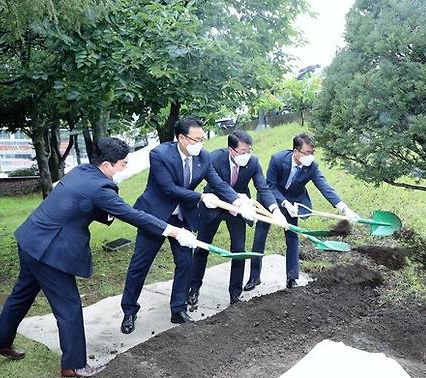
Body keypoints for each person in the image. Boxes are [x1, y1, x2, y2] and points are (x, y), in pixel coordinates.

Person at [0, 137, 197, 378]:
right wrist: (174, 231)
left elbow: (82, 203)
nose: (126, 167)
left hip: (30, 239)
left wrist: (107, 214)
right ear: (107, 165)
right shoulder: (100, 187)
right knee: (69, 306)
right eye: (123, 163)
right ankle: (74, 365)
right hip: (50, 250)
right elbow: (132, 214)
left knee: (21, 293)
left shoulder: (81, 172)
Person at [120, 117, 256, 334]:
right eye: (197, 139)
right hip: (155, 215)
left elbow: (218, 182)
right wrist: (201, 197)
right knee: (140, 264)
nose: (201, 143)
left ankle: (178, 309)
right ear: (182, 138)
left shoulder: (202, 155)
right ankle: (129, 311)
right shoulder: (159, 155)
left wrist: (238, 202)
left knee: (185, 263)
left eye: (202, 138)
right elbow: (168, 188)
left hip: (182, 217)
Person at [244, 133, 360, 290]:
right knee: (259, 238)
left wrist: (345, 209)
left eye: (312, 152)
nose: (310, 156)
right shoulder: (278, 159)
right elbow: (269, 185)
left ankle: (292, 278)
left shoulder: (312, 166)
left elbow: (325, 187)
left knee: (292, 238)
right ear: (295, 151)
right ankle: (254, 277)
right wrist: (283, 204)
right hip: (270, 201)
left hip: (294, 204)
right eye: (306, 153)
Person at [188, 130, 287, 307]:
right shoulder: (214, 158)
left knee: (239, 250)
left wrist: (275, 210)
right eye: (243, 151)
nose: (246, 155)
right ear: (231, 150)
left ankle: (235, 294)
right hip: (214, 204)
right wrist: (236, 200)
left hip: (240, 210)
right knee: (202, 247)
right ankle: (194, 288)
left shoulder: (254, 162)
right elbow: (218, 184)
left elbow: (263, 188)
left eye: (249, 150)